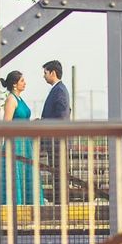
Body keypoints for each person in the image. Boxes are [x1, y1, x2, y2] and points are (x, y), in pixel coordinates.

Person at [0, 70, 36, 205]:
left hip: (25, 142)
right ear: (15, 84)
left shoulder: (19, 99)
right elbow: (6, 123)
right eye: (22, 81)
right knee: (16, 173)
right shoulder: (11, 99)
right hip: (15, 143)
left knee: (25, 172)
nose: (24, 83)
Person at [40, 60, 70, 205]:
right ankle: (60, 201)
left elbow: (62, 115)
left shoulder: (59, 90)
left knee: (58, 172)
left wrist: (43, 122)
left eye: (45, 72)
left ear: (52, 72)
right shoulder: (58, 89)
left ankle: (61, 202)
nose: (43, 76)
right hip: (56, 138)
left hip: (57, 139)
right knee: (57, 171)